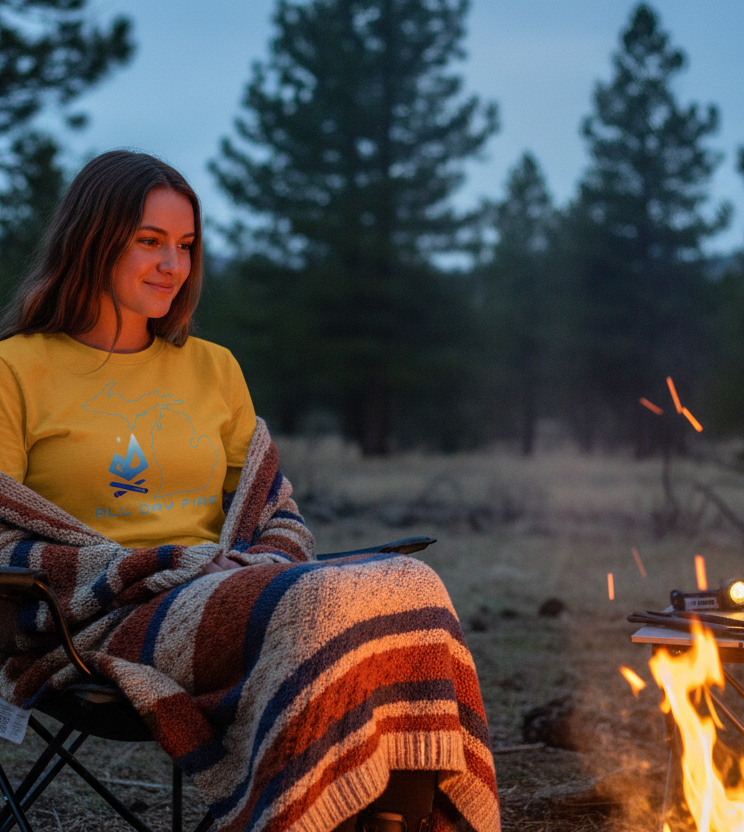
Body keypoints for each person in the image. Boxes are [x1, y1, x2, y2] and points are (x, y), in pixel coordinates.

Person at [0, 151, 499, 832]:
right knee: (320, 604)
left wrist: (253, 562)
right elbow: (5, 536)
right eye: (150, 242)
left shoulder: (212, 367)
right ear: (92, 239)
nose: (173, 266)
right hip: (99, 621)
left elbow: (273, 511)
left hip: (234, 592)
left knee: (413, 583)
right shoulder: (16, 369)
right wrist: (164, 566)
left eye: (186, 245)